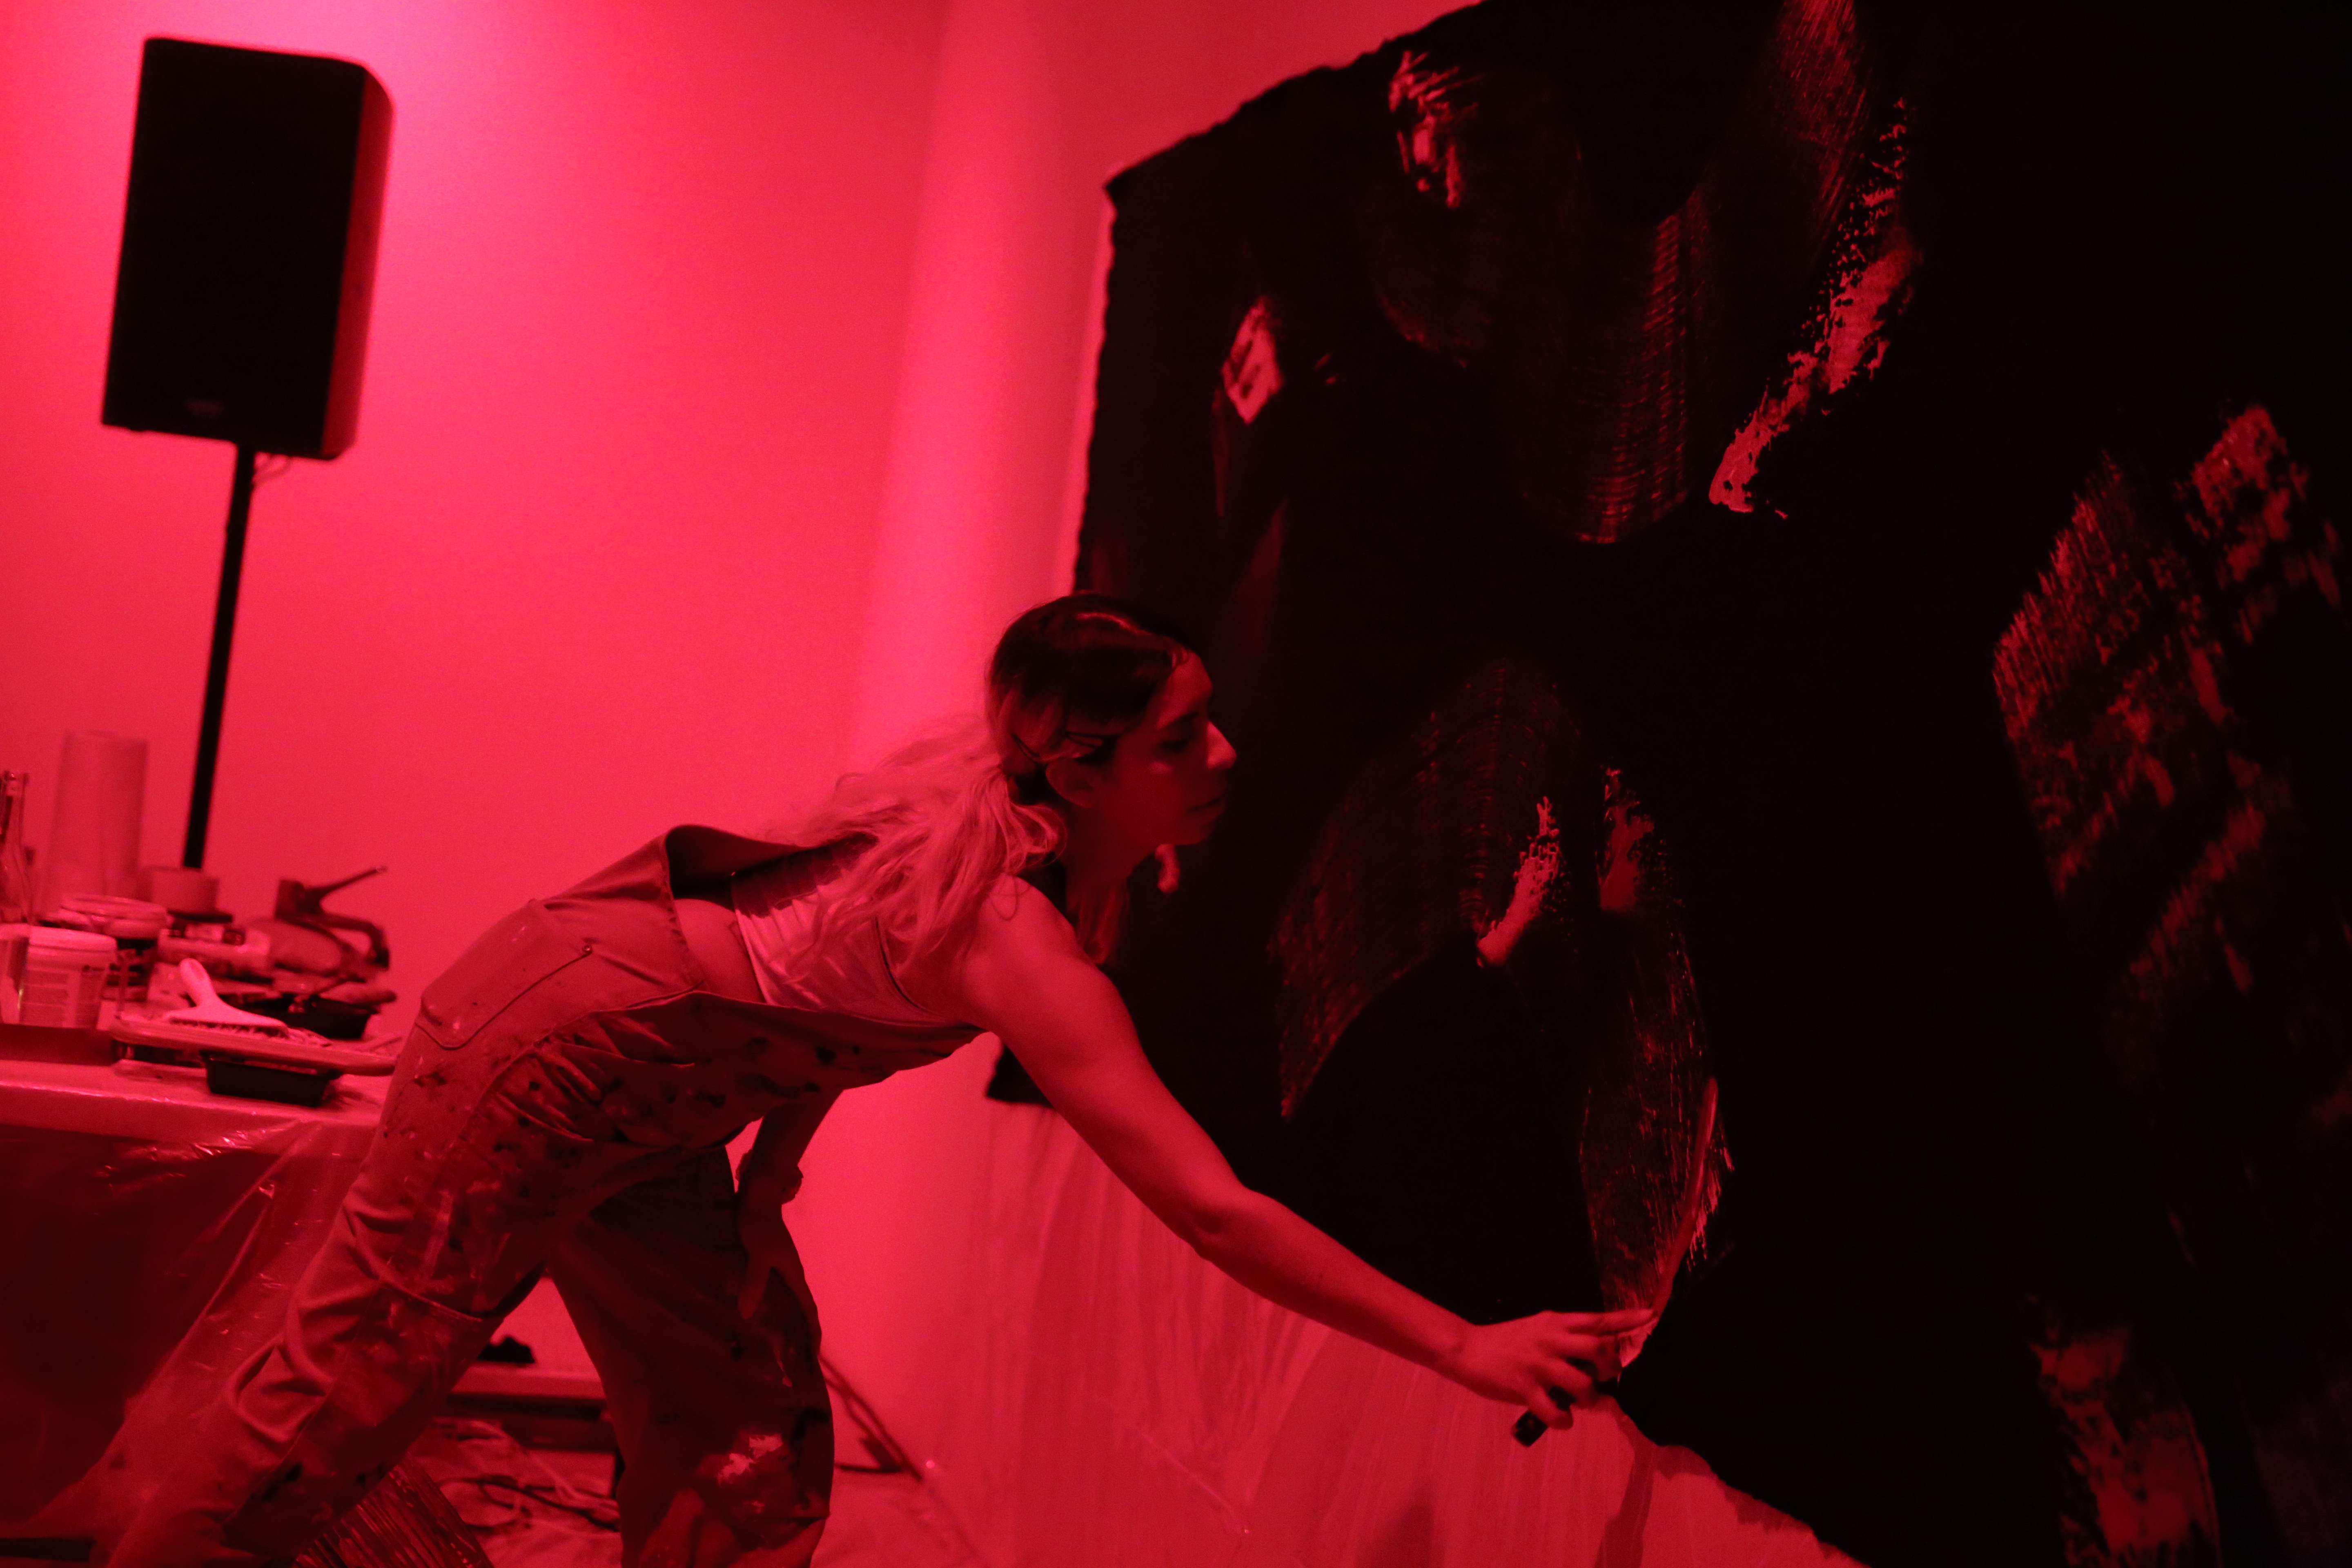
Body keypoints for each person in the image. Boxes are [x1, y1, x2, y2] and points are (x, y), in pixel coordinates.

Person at [111, 593, 1651, 1568]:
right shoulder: (1019, 941)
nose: (1228, 753)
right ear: (1080, 769)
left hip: (648, 1094)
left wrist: (774, 1152)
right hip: (550, 1059)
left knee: (753, 1440)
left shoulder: (1004, 838)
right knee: (343, 1394)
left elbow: (803, 959)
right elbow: (1215, 1212)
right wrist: (1463, 1347)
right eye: (1185, 740)